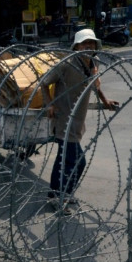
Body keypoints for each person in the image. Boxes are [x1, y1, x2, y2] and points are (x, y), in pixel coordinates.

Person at [39, 29, 119, 214]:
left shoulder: (93, 63)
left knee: (64, 159)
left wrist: (105, 100)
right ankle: (60, 196)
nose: (88, 47)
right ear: (76, 46)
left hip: (78, 121)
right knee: (76, 161)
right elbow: (44, 82)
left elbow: (95, 84)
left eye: (91, 43)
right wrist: (49, 104)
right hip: (64, 121)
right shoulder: (67, 64)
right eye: (85, 44)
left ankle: (58, 194)